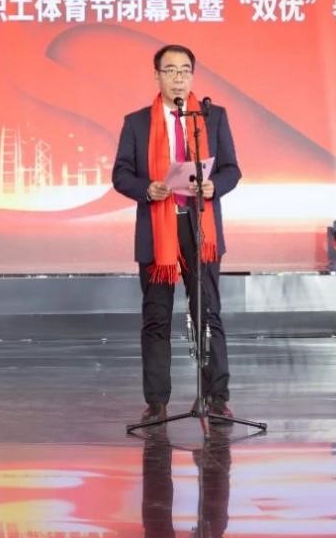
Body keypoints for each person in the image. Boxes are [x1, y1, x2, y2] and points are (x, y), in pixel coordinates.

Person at [112, 44, 241, 423]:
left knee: (208, 313)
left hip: (200, 228)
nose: (178, 78)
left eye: (185, 70)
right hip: (158, 229)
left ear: (192, 75)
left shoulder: (213, 117)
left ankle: (216, 397)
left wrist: (214, 187)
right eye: (170, 71)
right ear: (157, 76)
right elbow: (121, 174)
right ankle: (157, 402)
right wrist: (147, 189)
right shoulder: (136, 123)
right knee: (156, 317)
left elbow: (232, 169)